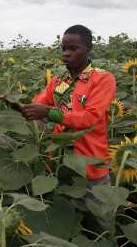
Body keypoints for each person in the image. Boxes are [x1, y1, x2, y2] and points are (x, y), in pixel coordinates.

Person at [20, 25, 116, 185]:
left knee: (97, 208)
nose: (66, 53)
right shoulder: (58, 81)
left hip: (91, 165)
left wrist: (49, 113)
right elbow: (37, 105)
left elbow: (90, 118)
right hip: (58, 163)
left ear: (88, 48)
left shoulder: (102, 79)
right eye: (64, 48)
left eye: (73, 48)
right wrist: (15, 105)